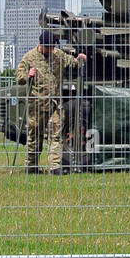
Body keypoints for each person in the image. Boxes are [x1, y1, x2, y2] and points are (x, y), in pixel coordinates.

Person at [16, 30, 87, 174]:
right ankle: (32, 167)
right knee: (35, 137)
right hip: (37, 104)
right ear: (40, 44)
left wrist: (80, 59)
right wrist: (27, 75)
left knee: (56, 135)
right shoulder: (29, 57)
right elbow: (19, 77)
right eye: (47, 47)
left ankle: (55, 167)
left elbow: (71, 61)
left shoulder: (58, 55)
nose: (50, 50)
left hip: (55, 103)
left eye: (52, 47)